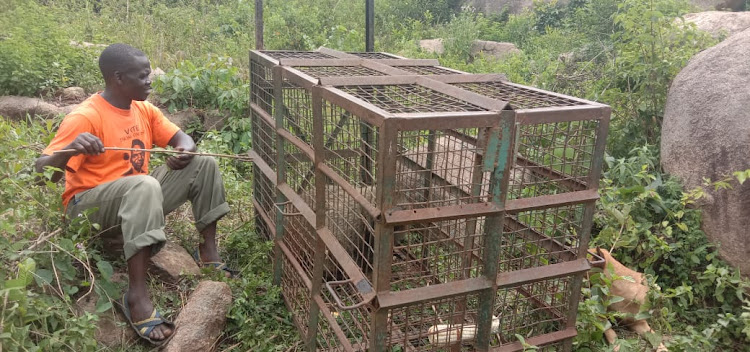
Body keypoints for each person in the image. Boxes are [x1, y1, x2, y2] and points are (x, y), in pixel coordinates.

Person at [35, 43, 232, 345]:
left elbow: (182, 138)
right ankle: (137, 296)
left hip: (139, 198)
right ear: (118, 78)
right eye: (142, 76)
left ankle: (208, 252)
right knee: (145, 184)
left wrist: (185, 151)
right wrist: (71, 147)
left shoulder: (144, 109)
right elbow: (41, 174)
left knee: (203, 160)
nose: (150, 81)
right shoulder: (85, 116)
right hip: (89, 210)